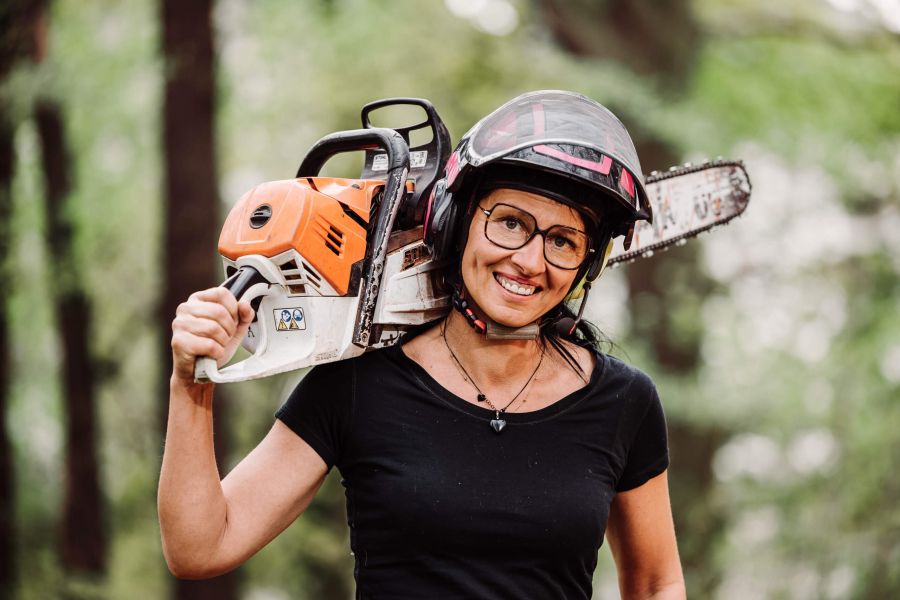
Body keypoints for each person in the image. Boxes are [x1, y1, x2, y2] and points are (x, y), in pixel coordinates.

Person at [159, 90, 686, 599]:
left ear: (585, 265)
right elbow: (200, 547)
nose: (529, 261)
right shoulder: (358, 384)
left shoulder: (622, 401)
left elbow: (657, 585)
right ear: (457, 222)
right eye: (509, 223)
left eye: (562, 241)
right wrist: (191, 385)